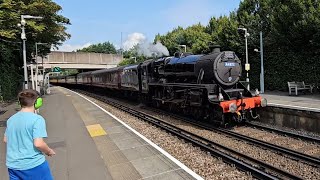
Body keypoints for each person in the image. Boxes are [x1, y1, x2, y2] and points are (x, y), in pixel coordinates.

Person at [3, 89, 55, 180]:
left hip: (13, 166)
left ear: (20, 103)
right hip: (33, 165)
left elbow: (6, 139)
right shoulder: (37, 119)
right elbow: (38, 144)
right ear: (37, 102)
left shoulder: (11, 119)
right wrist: (49, 151)